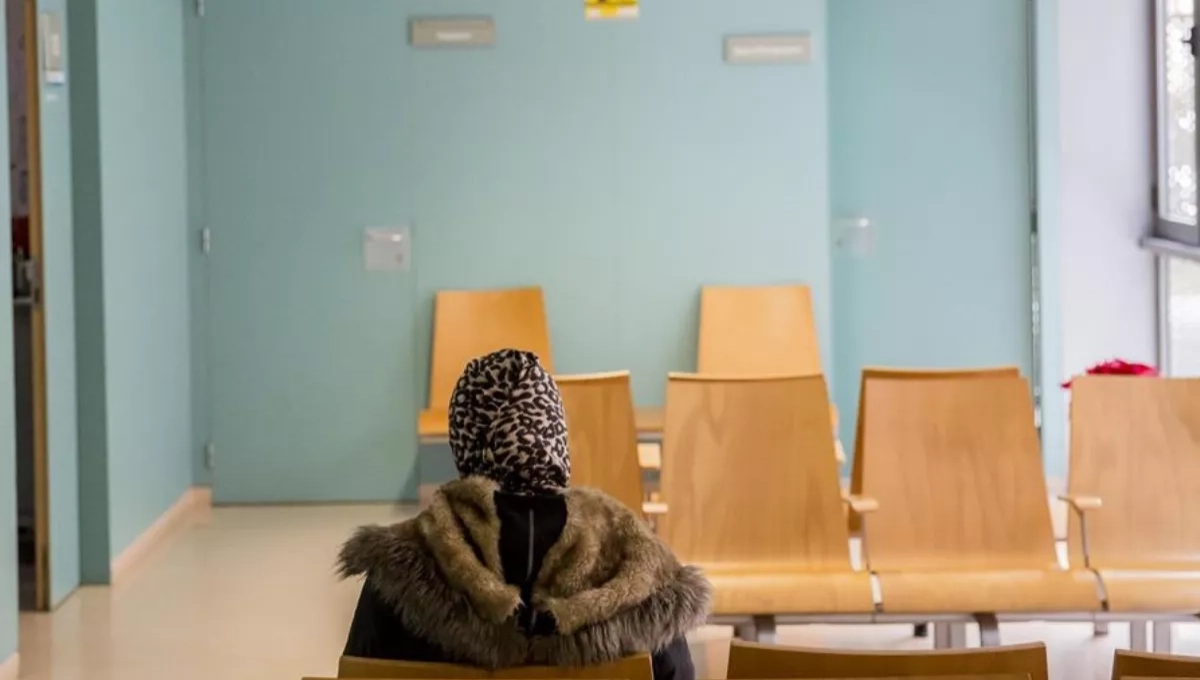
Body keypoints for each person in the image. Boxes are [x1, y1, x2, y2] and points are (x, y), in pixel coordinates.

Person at [339, 349, 711, 678]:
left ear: (465, 440)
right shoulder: (638, 565)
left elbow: (362, 673)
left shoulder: (400, 568)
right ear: (556, 435)